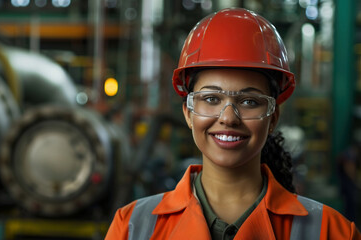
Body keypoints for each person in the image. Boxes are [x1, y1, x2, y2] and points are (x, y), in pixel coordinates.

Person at [105, 8, 361, 239]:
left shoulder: (331, 231)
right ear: (188, 114)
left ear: (272, 118)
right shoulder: (131, 227)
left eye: (250, 101)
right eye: (211, 98)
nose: (228, 118)